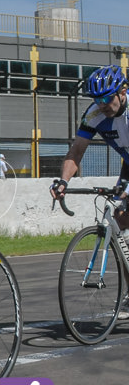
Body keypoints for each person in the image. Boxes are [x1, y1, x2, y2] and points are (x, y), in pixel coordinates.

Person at [49, 65, 129, 320]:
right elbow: (77, 151)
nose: (102, 104)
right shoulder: (94, 113)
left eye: (107, 98)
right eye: (97, 99)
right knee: (121, 220)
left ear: (123, 92)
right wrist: (63, 181)